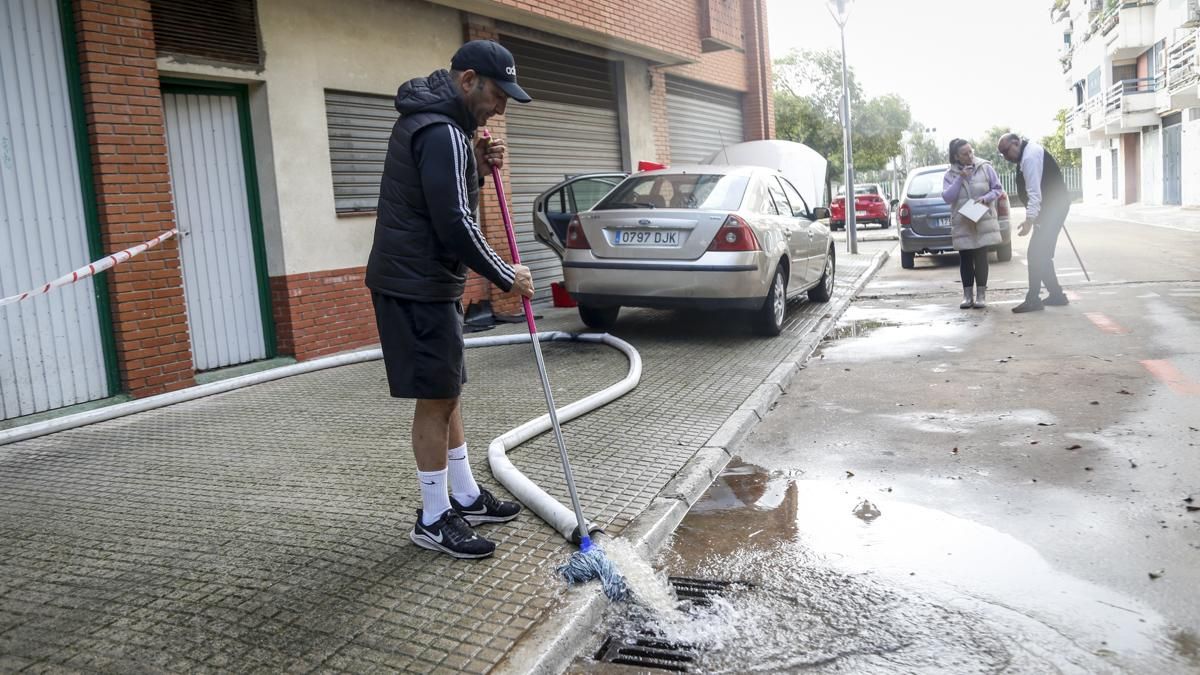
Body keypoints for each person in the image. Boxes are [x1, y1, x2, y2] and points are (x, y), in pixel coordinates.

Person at [365, 40, 535, 559]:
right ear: (467, 81)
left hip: (427, 282)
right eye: (496, 93)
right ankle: (434, 518)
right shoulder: (441, 132)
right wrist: (507, 273)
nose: (501, 106)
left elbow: (442, 195)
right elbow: (454, 223)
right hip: (415, 286)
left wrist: (477, 167)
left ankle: (464, 495)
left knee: (448, 389)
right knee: (436, 399)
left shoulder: (443, 129)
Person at [997, 133, 1071, 313]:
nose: (1006, 157)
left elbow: (1034, 193)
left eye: (1006, 152)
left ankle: (1034, 299)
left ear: (1016, 143)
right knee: (1042, 253)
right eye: (1003, 155)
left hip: (1052, 209)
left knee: (1036, 253)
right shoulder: (1026, 153)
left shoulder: (1030, 156)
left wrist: (1030, 220)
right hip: (1051, 208)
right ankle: (1056, 295)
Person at [942, 139, 1004, 309]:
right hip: (963, 220)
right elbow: (948, 197)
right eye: (965, 153)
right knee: (965, 257)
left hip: (982, 217)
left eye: (971, 151)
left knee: (981, 255)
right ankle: (967, 296)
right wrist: (960, 179)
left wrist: (986, 198)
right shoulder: (950, 174)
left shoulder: (985, 167)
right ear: (956, 156)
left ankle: (981, 295)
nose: (970, 156)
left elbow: (997, 189)